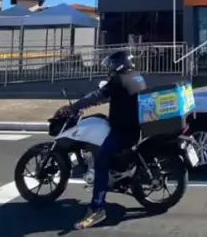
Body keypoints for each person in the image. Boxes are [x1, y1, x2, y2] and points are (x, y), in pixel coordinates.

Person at [55, 49, 147, 230]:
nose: (110, 69)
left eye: (112, 65)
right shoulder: (136, 76)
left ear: (119, 65)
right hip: (134, 126)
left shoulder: (118, 80)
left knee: (101, 158)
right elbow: (114, 96)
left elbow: (97, 95)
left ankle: (97, 208)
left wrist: (74, 107)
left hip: (124, 131)